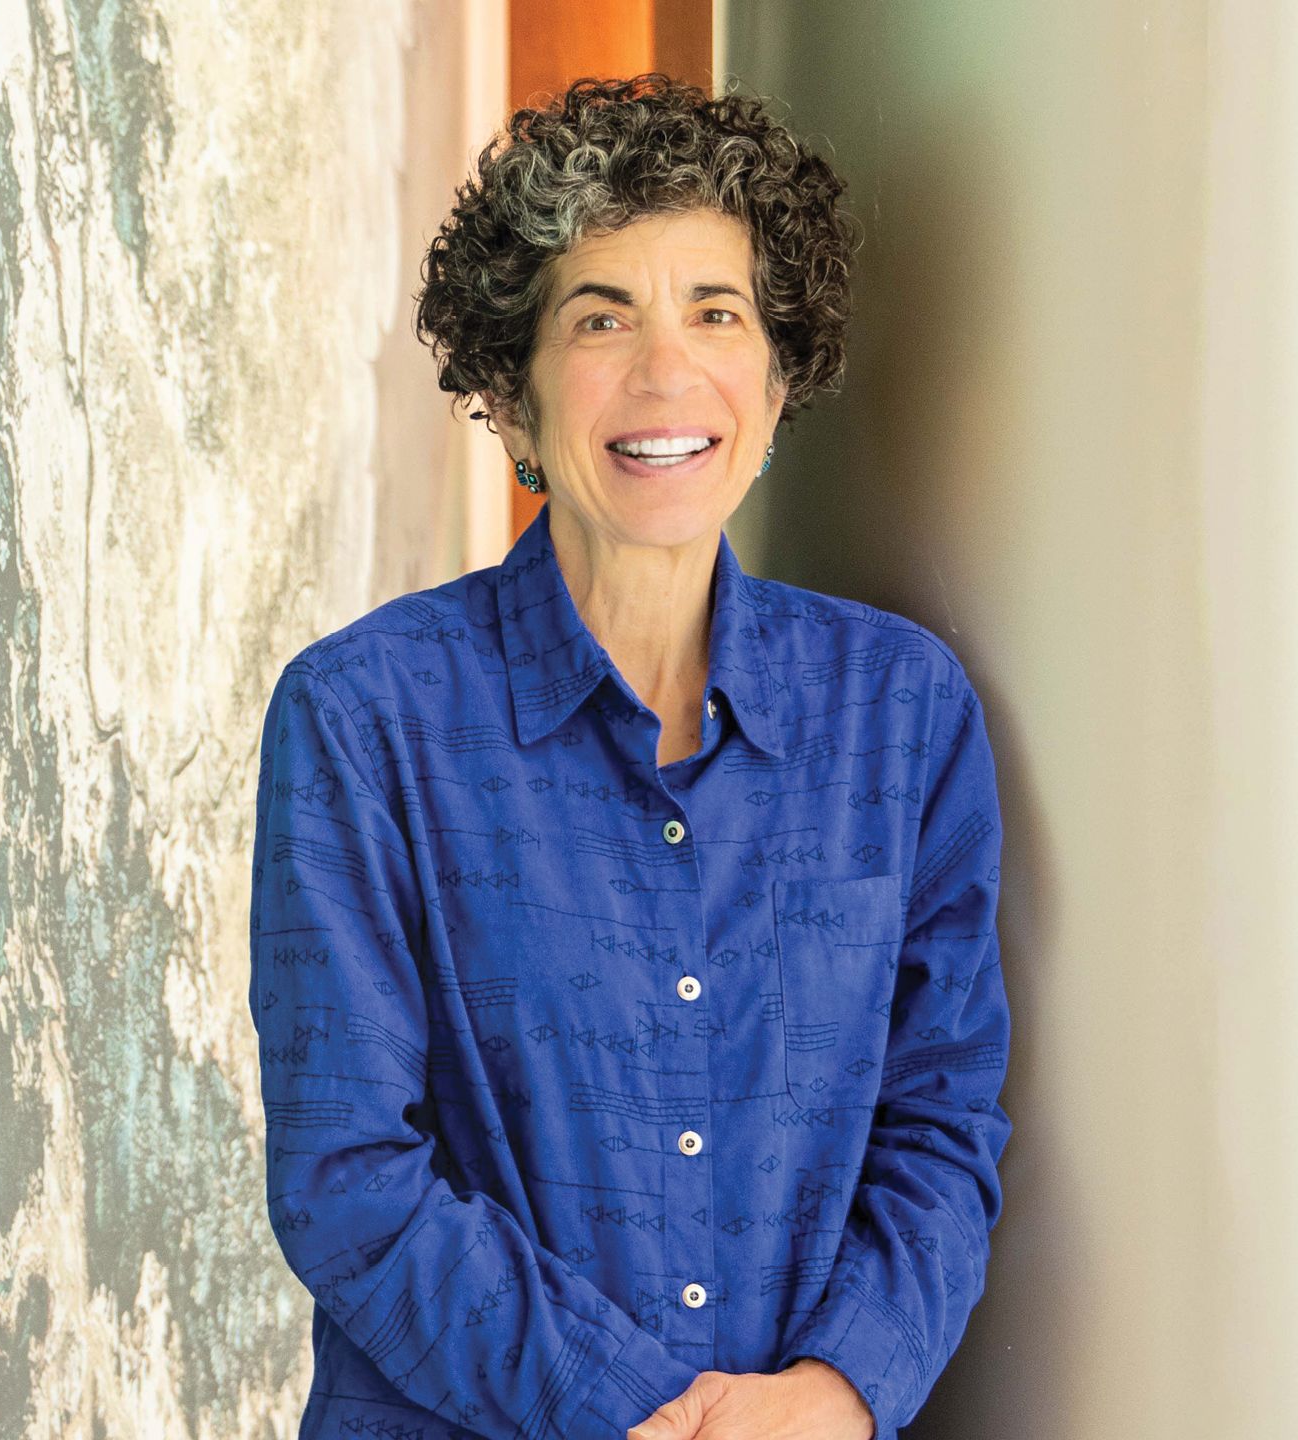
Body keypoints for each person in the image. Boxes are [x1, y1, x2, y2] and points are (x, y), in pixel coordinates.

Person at [247, 74, 1011, 1440]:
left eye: (715, 314)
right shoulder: (362, 718)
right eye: (601, 319)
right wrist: (647, 1415)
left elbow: (940, 1123)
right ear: (515, 397)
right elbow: (349, 1177)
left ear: (778, 387)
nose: (667, 373)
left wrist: (835, 1398)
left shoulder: (904, 715)